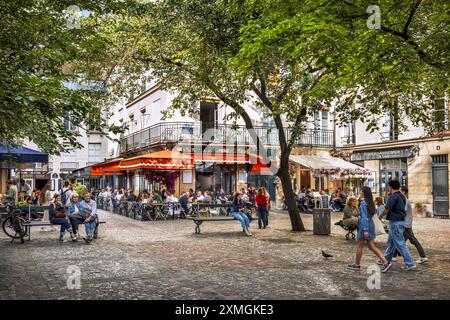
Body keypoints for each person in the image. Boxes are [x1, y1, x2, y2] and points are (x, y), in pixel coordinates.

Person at [347, 187, 391, 272]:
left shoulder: (363, 203)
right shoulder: (370, 203)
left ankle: (357, 264)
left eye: (361, 191)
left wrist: (365, 229)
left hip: (365, 226)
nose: (360, 192)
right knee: (372, 246)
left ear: (364, 192)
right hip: (371, 225)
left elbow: (364, 218)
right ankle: (385, 262)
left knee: (359, 245)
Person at [379, 180, 416, 271]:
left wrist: (379, 217)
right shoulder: (401, 196)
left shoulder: (393, 197)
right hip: (398, 222)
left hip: (395, 222)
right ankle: (386, 260)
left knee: (400, 243)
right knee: (391, 243)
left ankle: (410, 263)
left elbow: (387, 209)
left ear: (390, 187)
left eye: (389, 187)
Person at [393, 187, 428, 264]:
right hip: (406, 224)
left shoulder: (405, 200)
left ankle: (422, 256)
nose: (398, 192)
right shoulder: (404, 200)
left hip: (406, 224)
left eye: (400, 191)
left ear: (404, 192)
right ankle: (393, 255)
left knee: (404, 241)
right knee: (402, 240)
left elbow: (403, 212)